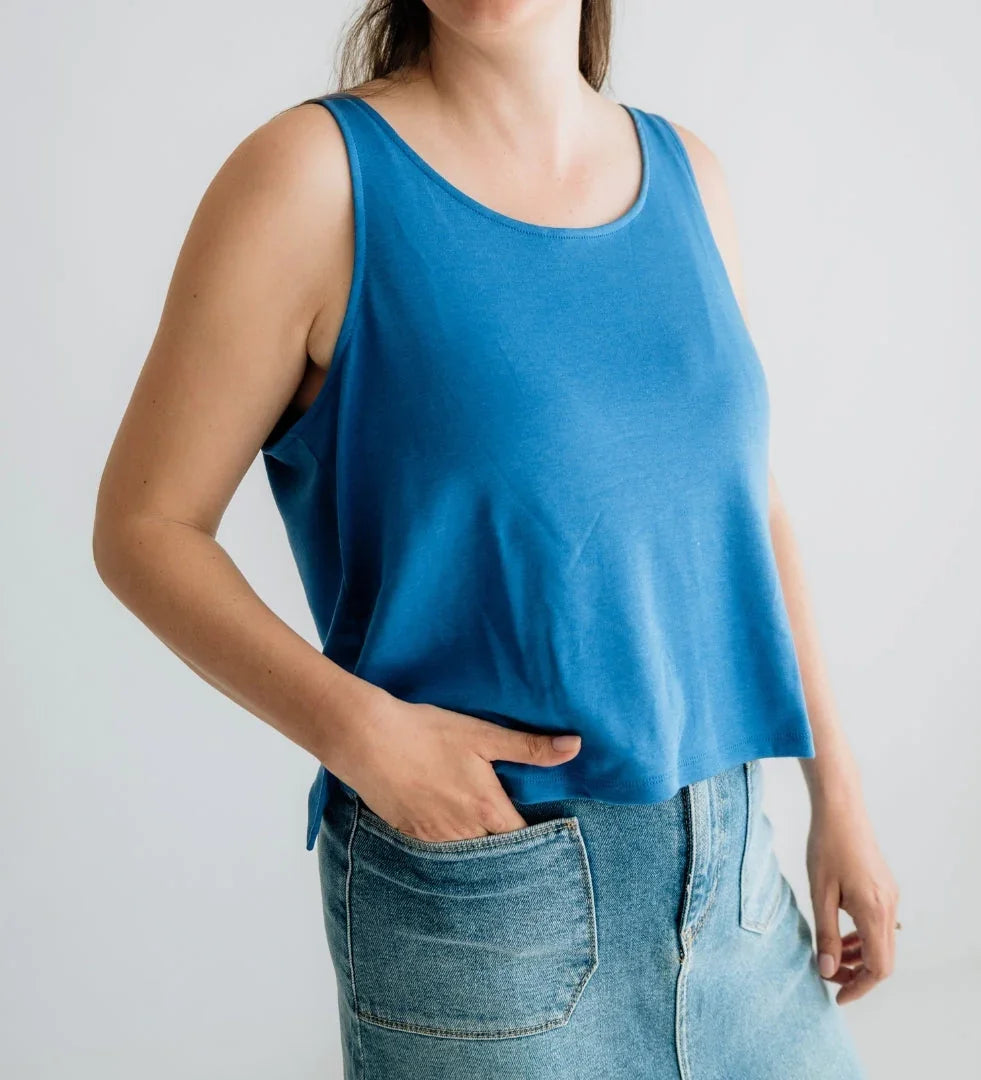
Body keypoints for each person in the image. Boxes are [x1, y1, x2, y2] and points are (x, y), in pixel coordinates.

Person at [93, 1, 899, 1076]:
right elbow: (145, 527)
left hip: (739, 882)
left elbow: (745, 505)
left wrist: (836, 790)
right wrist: (362, 735)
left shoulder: (690, 176)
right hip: (486, 904)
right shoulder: (313, 178)